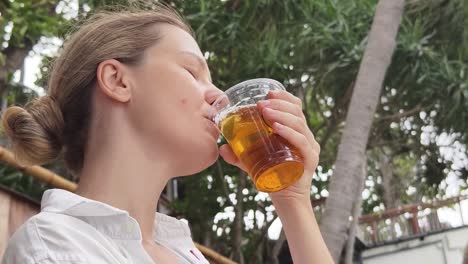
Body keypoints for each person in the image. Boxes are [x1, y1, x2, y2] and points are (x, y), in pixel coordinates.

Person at [0, 4, 333, 264]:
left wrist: (293, 202)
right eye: (192, 71)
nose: (219, 96)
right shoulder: (56, 247)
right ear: (118, 81)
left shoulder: (183, 252)